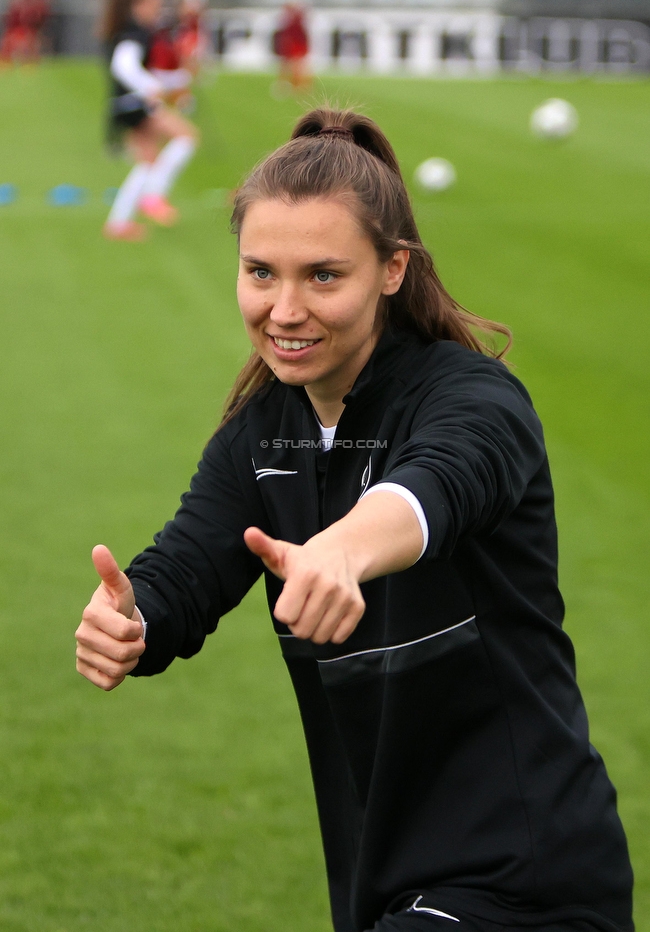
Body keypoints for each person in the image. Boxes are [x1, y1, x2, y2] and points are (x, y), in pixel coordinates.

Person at [75, 108, 634, 932]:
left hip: (526, 875)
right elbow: (186, 567)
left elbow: (437, 485)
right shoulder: (261, 434)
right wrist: (133, 618)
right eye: (260, 272)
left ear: (393, 269)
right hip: (384, 876)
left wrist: (342, 550)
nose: (284, 309)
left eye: (322, 276)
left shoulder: (474, 398)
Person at [99, 0, 199, 241]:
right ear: (139, 4)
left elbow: (148, 71)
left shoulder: (140, 31)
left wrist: (180, 80)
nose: (159, 5)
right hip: (134, 104)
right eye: (155, 0)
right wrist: (149, 87)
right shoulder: (135, 32)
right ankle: (154, 196)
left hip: (127, 104)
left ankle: (118, 223)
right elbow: (123, 66)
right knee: (186, 136)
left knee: (146, 163)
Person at [273, 2, 310, 94]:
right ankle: (289, 85)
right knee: (288, 65)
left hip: (295, 44)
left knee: (297, 67)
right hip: (290, 44)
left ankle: (298, 86)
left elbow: (300, 34)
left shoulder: (297, 18)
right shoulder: (290, 19)